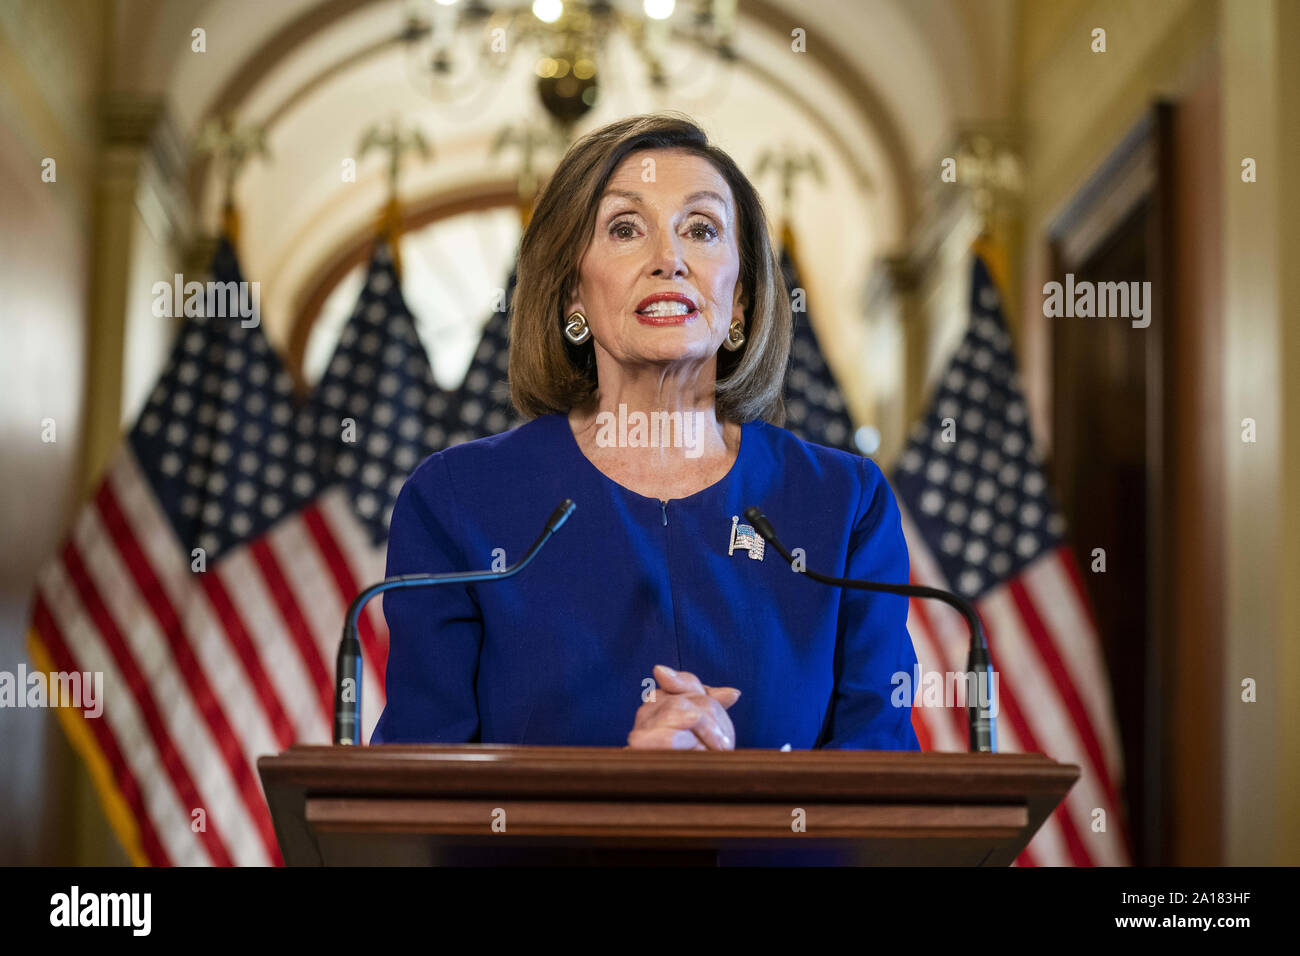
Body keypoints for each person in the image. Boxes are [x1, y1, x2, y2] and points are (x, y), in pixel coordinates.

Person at [370, 112, 920, 753]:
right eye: (626, 228)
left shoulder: (842, 502)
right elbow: (420, 790)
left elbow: (881, 779)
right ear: (571, 292)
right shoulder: (460, 500)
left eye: (702, 229)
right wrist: (620, 799)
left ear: (739, 299)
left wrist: (730, 796)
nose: (670, 259)